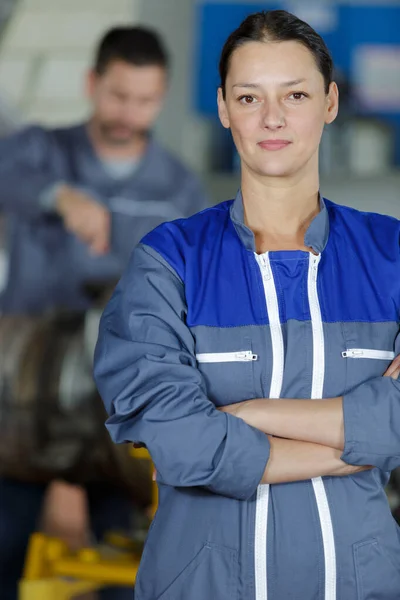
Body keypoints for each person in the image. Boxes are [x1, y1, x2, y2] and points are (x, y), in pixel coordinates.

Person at [94, 10, 400, 600]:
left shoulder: (390, 254)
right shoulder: (168, 262)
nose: (273, 118)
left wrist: (245, 415)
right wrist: (359, 446)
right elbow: (182, 445)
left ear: (330, 102)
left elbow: (202, 440)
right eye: (249, 97)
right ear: (223, 108)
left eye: (296, 93)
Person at [0, 26, 207, 600]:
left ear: (161, 98)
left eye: (143, 100)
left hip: (115, 402)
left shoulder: (178, 187)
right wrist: (59, 197)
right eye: (117, 95)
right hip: (21, 393)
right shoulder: (39, 151)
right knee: (6, 541)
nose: (128, 112)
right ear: (93, 84)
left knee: (130, 555)